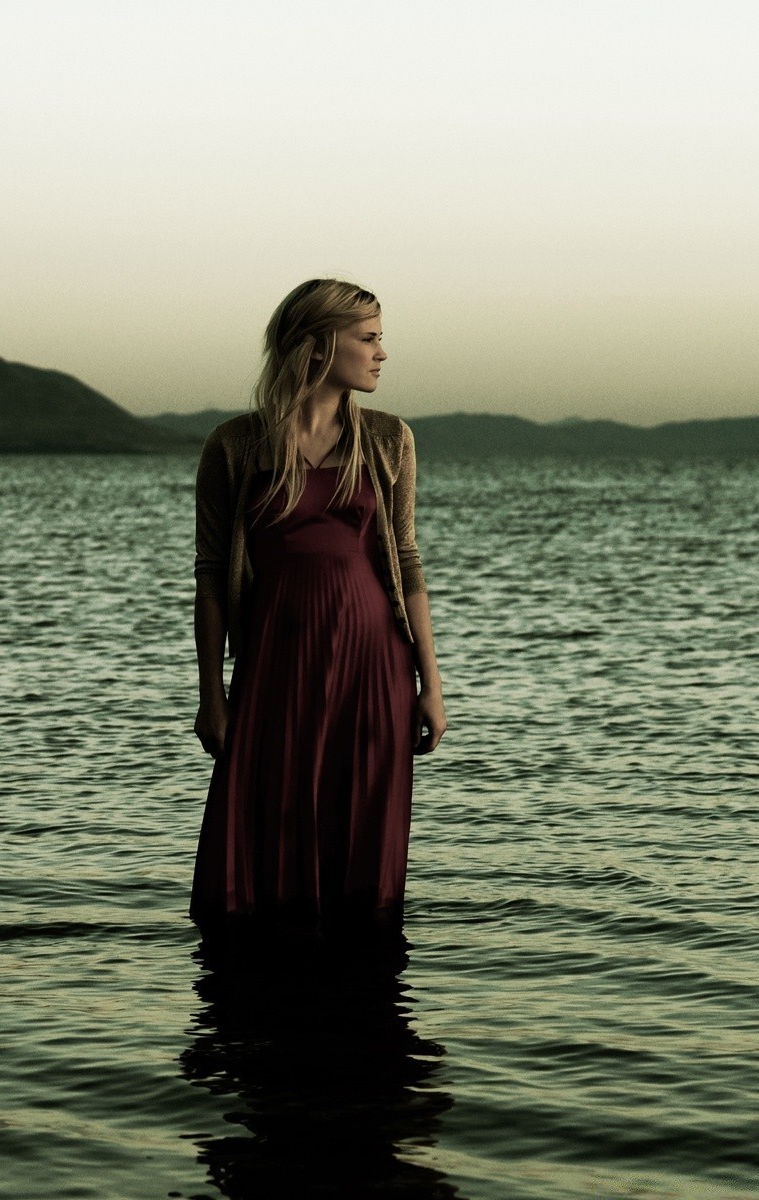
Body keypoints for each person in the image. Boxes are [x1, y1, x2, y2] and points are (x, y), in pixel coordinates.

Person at [190, 278, 446, 946]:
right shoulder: (235, 446)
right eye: (368, 338)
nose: (381, 353)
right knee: (257, 838)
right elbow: (212, 575)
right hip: (275, 663)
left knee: (359, 845)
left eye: (380, 338)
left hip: (373, 666)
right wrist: (211, 695)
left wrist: (431, 685)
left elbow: (408, 564)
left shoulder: (389, 440)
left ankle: (359, 995)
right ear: (318, 343)